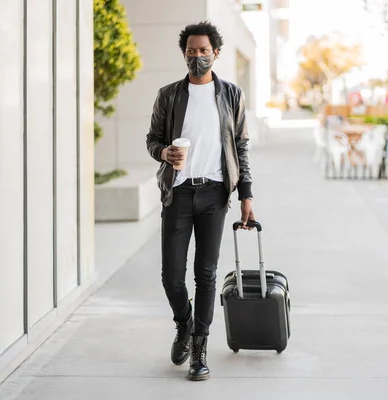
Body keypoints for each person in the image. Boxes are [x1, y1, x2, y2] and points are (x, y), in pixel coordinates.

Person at [145, 21, 255, 381]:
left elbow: (240, 147)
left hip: (214, 193)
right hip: (177, 193)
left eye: (203, 51)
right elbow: (152, 139)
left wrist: (246, 194)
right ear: (184, 54)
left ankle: (199, 346)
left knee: (205, 274)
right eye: (191, 51)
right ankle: (184, 322)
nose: (197, 57)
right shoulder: (169, 95)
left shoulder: (232, 95)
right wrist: (164, 153)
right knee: (171, 277)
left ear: (216, 53)